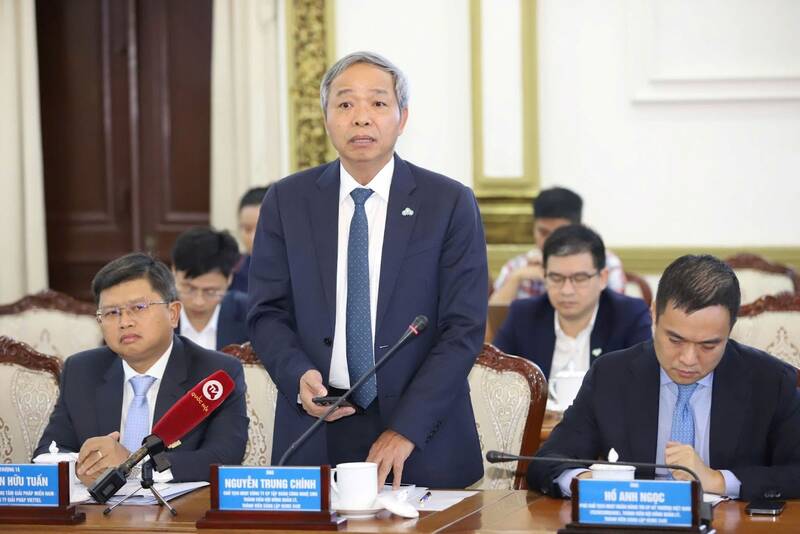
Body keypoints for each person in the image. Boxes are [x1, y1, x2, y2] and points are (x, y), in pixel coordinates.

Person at [248, 51, 487, 489]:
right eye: (345, 104)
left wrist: (407, 429)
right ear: (325, 117)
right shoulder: (287, 202)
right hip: (316, 426)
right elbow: (267, 312)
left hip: (422, 437)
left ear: (403, 117)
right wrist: (297, 375)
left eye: (378, 103)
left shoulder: (448, 203)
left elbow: (463, 328)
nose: (361, 118)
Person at [528, 254, 800, 501]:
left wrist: (718, 480)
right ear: (654, 314)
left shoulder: (770, 382)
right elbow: (547, 461)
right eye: (675, 339)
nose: (688, 359)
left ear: (730, 329)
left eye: (708, 345)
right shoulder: (611, 376)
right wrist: (585, 482)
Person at [35, 253, 248, 484]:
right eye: (111, 313)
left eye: (138, 307)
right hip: (99, 516)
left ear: (173, 313)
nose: (124, 322)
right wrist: (83, 463)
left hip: (179, 515)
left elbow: (224, 458)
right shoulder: (81, 371)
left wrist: (133, 465)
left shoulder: (216, 373)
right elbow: (48, 452)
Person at [493, 225, 651, 386]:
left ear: (603, 278)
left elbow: (641, 386)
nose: (566, 290)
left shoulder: (629, 315)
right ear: (544, 275)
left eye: (580, 278)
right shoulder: (523, 315)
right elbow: (495, 380)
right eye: (556, 278)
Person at [490, 187, 626, 305]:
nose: (550, 241)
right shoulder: (517, 266)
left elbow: (615, 315)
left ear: (578, 228)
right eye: (543, 232)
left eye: (559, 233)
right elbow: (490, 323)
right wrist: (517, 277)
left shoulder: (607, 262)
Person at [171, 227, 249, 350]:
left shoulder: (250, 316)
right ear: (174, 271)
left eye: (210, 292)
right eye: (189, 289)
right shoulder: (157, 316)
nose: (198, 301)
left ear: (229, 278)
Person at [231, 186, 269, 293]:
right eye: (247, 229)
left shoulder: (297, 273)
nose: (253, 238)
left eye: (261, 229)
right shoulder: (231, 272)